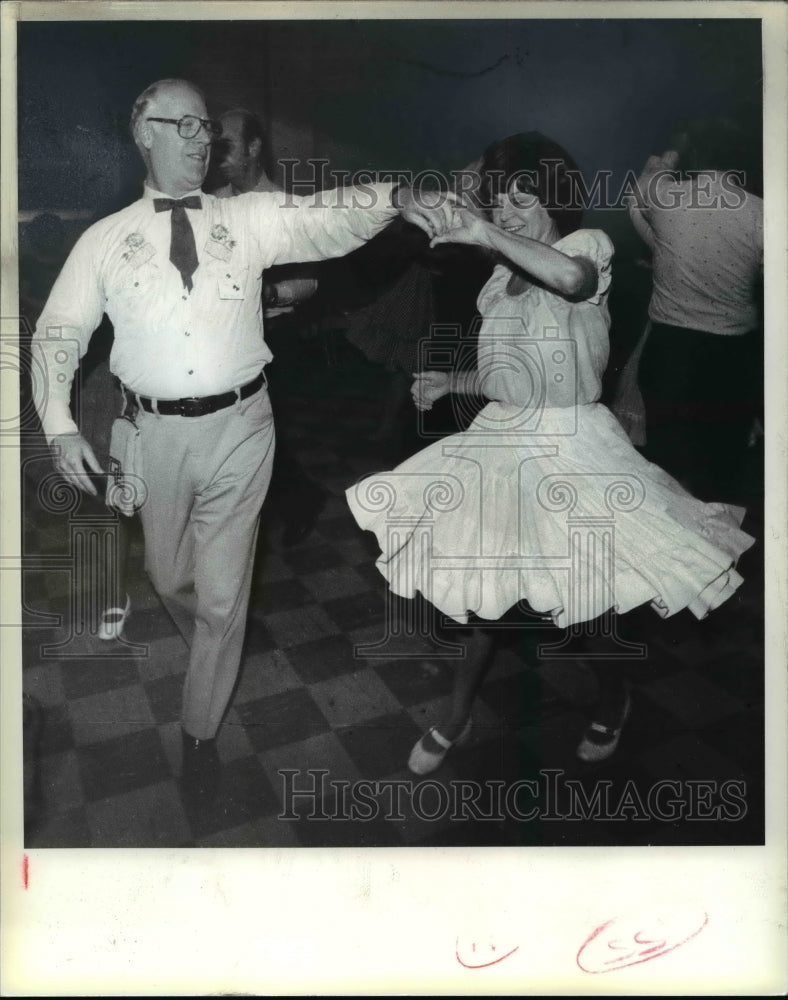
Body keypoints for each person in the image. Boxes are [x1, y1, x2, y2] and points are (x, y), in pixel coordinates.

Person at [31, 77, 449, 802]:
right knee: (168, 579)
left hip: (243, 427)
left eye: (207, 130)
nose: (202, 140)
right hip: (152, 435)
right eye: (184, 126)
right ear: (145, 133)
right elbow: (57, 335)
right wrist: (61, 426)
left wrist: (393, 197)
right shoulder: (105, 240)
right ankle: (215, 649)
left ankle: (199, 735)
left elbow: (323, 220)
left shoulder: (249, 217)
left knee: (223, 598)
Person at [347, 131, 755, 774]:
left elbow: (569, 279)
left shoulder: (584, 247)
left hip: (573, 446)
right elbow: (512, 374)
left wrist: (484, 233)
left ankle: (614, 698)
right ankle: (456, 713)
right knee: (484, 589)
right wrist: (453, 381)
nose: (507, 212)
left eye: (522, 198)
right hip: (504, 439)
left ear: (556, 200)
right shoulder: (497, 280)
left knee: (589, 600)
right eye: (499, 202)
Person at [627, 118, 764, 503]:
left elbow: (637, 195)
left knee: (668, 471)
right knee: (722, 474)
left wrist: (658, 245)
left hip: (671, 352)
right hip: (734, 356)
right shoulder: (759, 213)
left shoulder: (665, 195)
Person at [211, 107, 328, 546]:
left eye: (227, 145)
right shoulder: (213, 204)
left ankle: (298, 499)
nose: (217, 153)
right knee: (238, 432)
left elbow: (310, 281)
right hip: (223, 337)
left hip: (272, 338)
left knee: (257, 432)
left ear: (254, 147)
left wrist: (268, 294)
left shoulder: (283, 207)